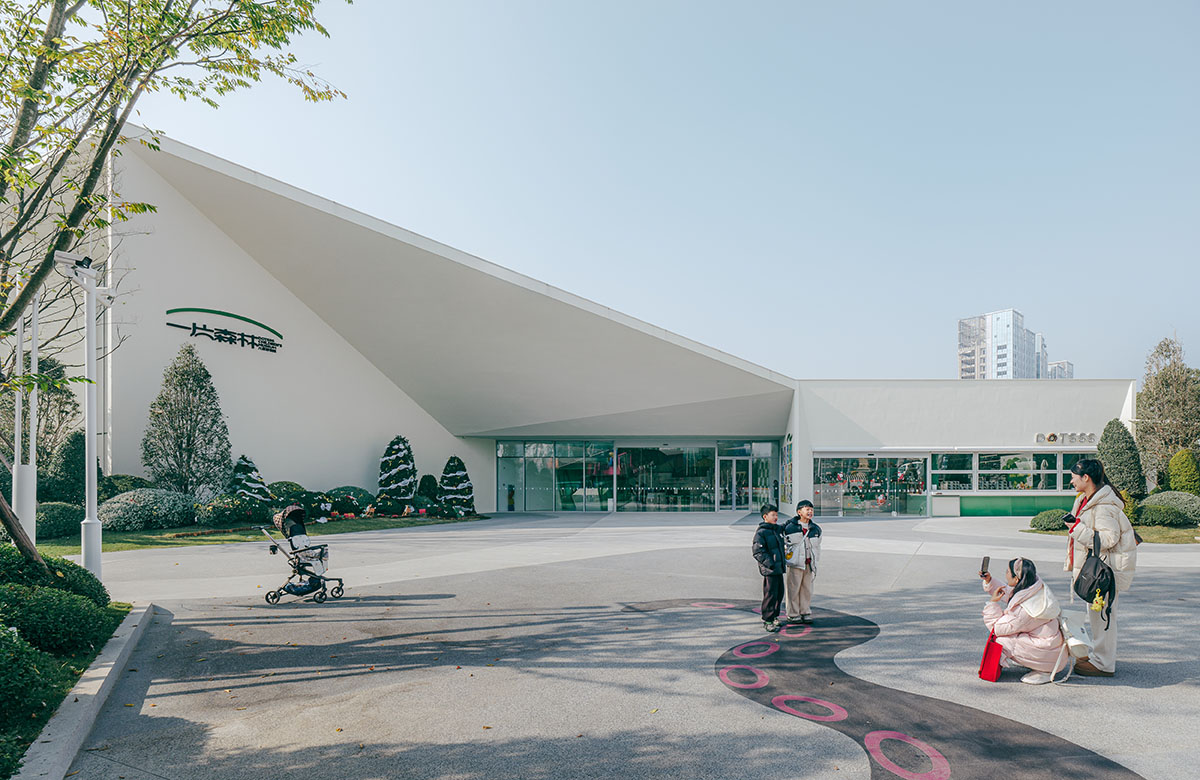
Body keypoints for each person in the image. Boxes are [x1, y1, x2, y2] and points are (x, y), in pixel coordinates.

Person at [1063, 457, 1137, 677]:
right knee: (1096, 614)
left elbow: (1108, 539)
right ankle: (1098, 657)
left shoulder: (1103, 505)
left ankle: (1103, 664)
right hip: (1093, 568)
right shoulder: (1086, 499)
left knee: (1103, 616)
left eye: (1073, 477)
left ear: (1086, 478)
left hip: (1103, 571)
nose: (1071, 482)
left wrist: (1075, 528)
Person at [981, 558, 1067, 684]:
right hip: (1052, 651)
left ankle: (1044, 671)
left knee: (1001, 641)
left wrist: (992, 603)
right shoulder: (1034, 589)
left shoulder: (1024, 610)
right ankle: (1039, 664)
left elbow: (997, 628)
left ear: (1016, 579)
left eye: (1007, 572)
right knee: (1010, 634)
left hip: (1050, 657)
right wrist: (990, 581)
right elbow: (1011, 593)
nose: (1005, 574)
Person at [782, 500, 822, 624]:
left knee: (807, 589)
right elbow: (784, 544)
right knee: (793, 589)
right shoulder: (790, 527)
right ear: (799, 512)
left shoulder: (816, 529)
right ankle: (793, 614)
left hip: (809, 564)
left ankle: (805, 612)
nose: (810, 512)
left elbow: (817, 546)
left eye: (811, 509)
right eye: (807, 509)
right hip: (795, 564)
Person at [751, 503, 786, 632]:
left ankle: (775, 616)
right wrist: (770, 563)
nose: (776, 517)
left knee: (779, 593)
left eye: (777, 514)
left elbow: (786, 526)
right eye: (773, 515)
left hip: (778, 569)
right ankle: (768, 619)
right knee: (770, 595)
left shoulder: (776, 529)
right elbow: (757, 552)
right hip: (770, 570)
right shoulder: (761, 532)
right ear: (765, 516)